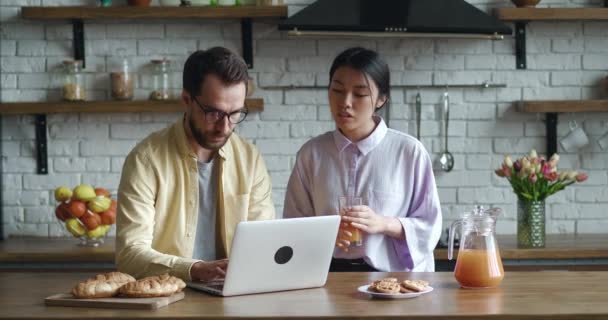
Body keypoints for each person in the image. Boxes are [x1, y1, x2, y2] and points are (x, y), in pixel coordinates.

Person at [116, 47, 275, 282]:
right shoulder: (145, 160)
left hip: (235, 292)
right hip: (169, 296)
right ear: (187, 99)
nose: (225, 127)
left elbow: (265, 241)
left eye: (235, 114)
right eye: (213, 113)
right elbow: (129, 255)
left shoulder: (250, 159)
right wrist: (193, 269)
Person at [283, 47, 442, 272]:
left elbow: (429, 226)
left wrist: (384, 223)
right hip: (324, 276)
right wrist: (325, 232)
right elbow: (292, 226)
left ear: (381, 100)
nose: (345, 102)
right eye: (337, 90)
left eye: (359, 94)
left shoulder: (409, 152)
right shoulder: (311, 154)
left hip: (388, 281)